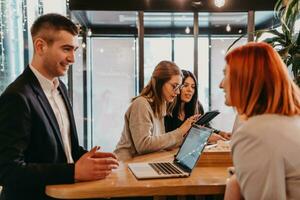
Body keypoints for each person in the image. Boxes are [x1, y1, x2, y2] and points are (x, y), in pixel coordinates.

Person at [0, 13, 118, 200]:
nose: (72, 58)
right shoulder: (17, 97)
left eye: (75, 50)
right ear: (40, 46)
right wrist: (73, 171)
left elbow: (67, 150)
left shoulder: (61, 87)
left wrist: (92, 160)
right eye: (66, 49)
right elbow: (8, 171)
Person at [221, 42, 300, 199]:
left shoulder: (254, 134)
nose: (221, 84)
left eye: (226, 74)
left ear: (245, 79)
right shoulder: (291, 121)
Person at [114, 61, 199, 161]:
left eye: (179, 87)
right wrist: (180, 131)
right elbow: (143, 145)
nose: (177, 92)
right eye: (174, 86)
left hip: (143, 163)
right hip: (126, 165)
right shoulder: (141, 104)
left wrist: (190, 137)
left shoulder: (161, 106)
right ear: (159, 82)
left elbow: (158, 143)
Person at [164, 70, 231, 143]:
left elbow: (204, 127)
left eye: (193, 87)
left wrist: (221, 133)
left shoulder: (197, 106)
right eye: (185, 85)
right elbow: (168, 137)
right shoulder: (166, 109)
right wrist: (203, 137)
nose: (190, 90)